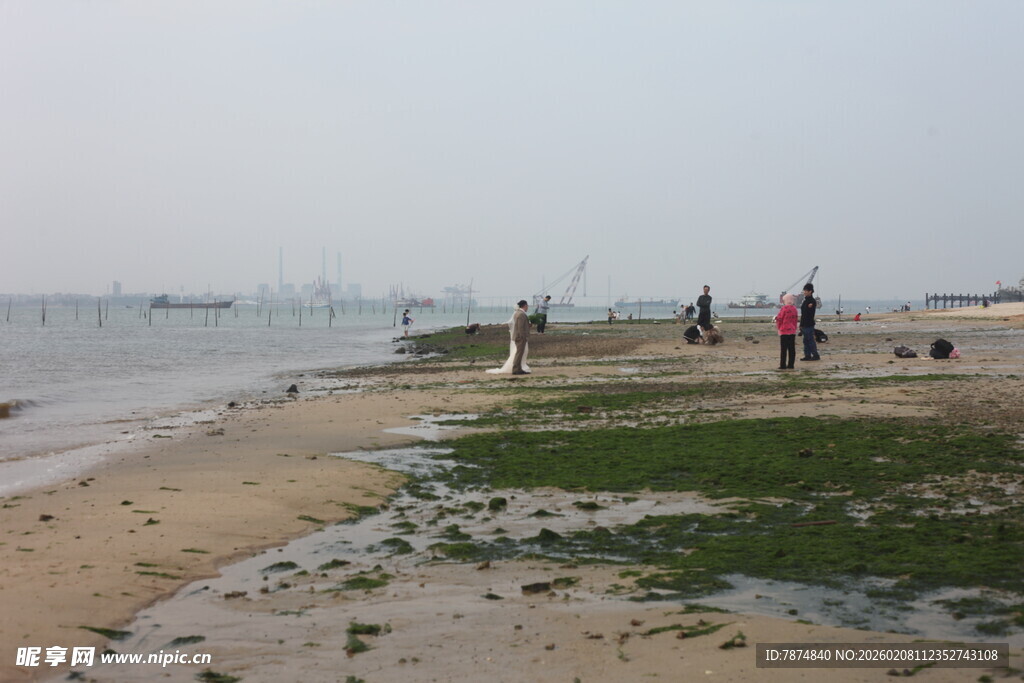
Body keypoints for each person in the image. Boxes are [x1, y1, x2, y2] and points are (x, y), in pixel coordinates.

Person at [486, 300, 531, 375]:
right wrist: (523, 336)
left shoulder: (517, 313)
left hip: (518, 336)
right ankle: (516, 369)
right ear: (525, 306)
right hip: (520, 337)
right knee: (519, 353)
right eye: (527, 306)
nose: (528, 307)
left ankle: (518, 368)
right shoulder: (521, 314)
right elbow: (520, 327)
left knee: (519, 353)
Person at [775, 294, 798, 369]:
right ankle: (791, 364)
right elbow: (795, 320)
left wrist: (779, 327)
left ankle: (783, 365)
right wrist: (794, 328)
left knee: (784, 349)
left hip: (784, 331)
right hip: (792, 331)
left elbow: (779, 319)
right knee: (792, 349)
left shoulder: (784, 308)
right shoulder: (794, 309)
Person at [800, 283, 820, 361]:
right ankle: (807, 355)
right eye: (804, 290)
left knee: (810, 340)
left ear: (810, 291)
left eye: (806, 291)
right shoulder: (805, 301)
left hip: (809, 324)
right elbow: (803, 314)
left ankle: (815, 355)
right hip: (804, 324)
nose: (804, 292)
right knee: (805, 341)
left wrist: (810, 306)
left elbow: (809, 313)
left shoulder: (812, 301)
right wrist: (801, 324)